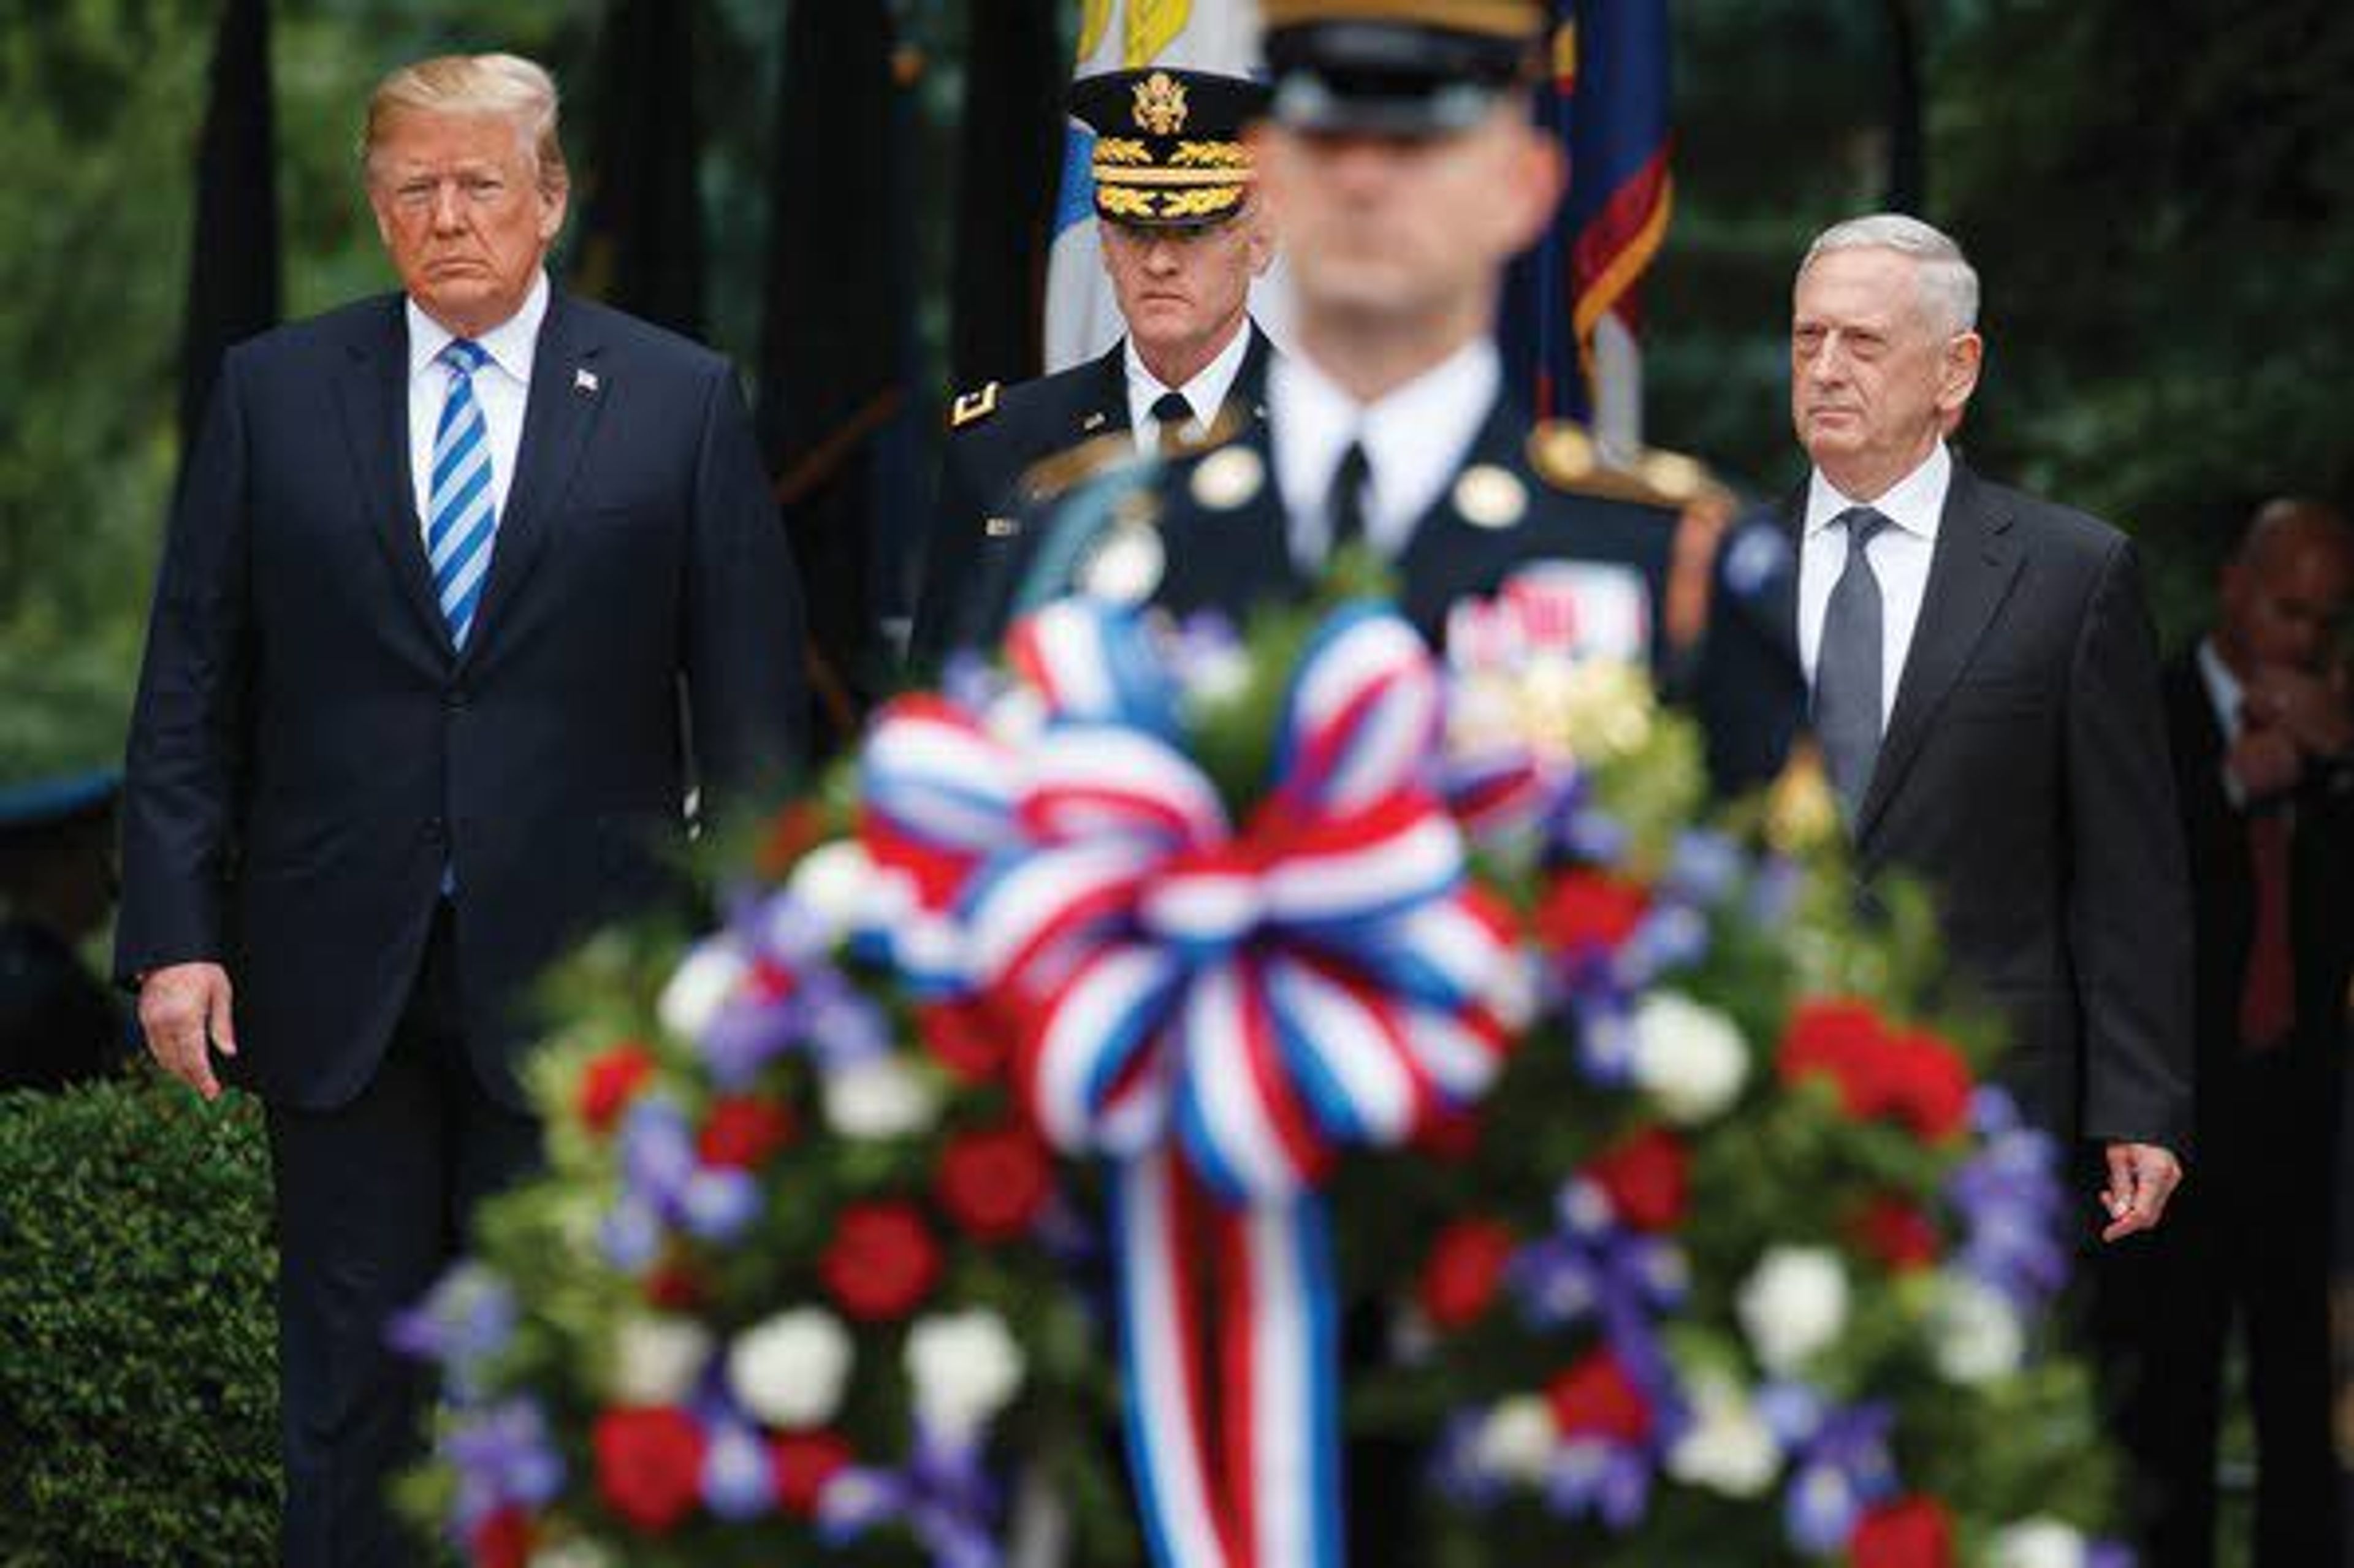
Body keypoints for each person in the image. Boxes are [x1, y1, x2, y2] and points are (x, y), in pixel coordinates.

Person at [114, 53, 806, 1567]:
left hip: (585, 982)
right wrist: (172, 934)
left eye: (479, 183)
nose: (447, 218)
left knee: (558, 1373)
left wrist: (747, 960)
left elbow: (754, 725)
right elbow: (190, 685)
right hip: (332, 963)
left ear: (548, 198)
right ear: (374, 208)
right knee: (351, 1396)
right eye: (413, 188)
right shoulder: (276, 392)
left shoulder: (678, 402)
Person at [1732, 213, 2192, 1236]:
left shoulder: (2070, 576)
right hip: (1757, 1099)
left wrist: (2141, 1100)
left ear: (1956, 370)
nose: (1826, 369)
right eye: (1808, 339)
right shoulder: (1727, 564)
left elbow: (2130, 867)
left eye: (1864, 342)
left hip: (1987, 1104)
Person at [2105, 499, 2352, 1567]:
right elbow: (2106, 896)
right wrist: (2225, 790)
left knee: (2306, 1410)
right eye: (2290, 609)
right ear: (2235, 592)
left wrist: (2337, 768)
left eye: (2327, 621)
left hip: (2305, 1127)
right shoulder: (2139, 715)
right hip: (2170, 1123)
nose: (2304, 639)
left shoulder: (2337, 730)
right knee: (2170, 1402)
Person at [906, 66, 1278, 666]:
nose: (1159, 260)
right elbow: (943, 685)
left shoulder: (1316, 430)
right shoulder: (1001, 441)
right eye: (1134, 229)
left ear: (1258, 242)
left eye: (1194, 229)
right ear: (1104, 242)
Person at [0, 770, 127, 1091]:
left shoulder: (28, 969)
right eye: (98, 858)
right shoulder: (56, 996)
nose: (112, 880)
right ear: (54, 868)